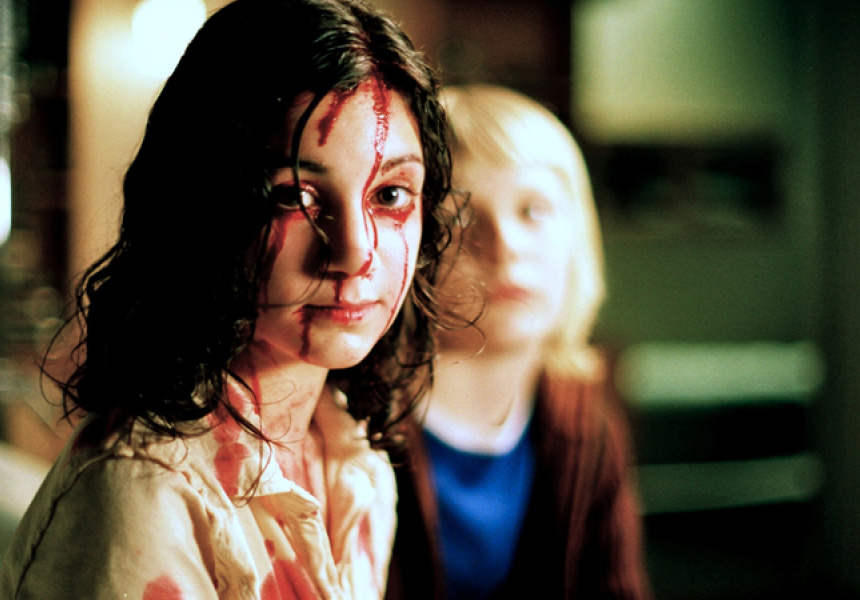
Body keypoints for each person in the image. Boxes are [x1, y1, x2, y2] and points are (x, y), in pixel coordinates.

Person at [0, 0, 455, 597]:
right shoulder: (148, 493)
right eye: (294, 196)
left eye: (390, 195)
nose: (354, 252)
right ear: (204, 205)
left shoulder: (355, 461)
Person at [385, 84, 653, 600]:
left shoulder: (586, 421)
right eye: (459, 217)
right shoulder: (358, 426)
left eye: (532, 211)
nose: (504, 247)